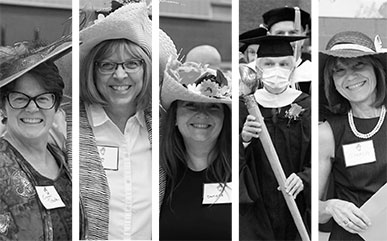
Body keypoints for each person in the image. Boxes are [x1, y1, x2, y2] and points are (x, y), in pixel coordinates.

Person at [68, 1, 176, 240]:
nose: (119, 75)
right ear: (92, 71)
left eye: (131, 64)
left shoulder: (163, 127)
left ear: (146, 69)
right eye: (107, 65)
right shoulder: (65, 127)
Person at [0, 40, 84, 240]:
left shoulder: (63, 159)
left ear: (55, 106)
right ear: (3, 106)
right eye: (20, 98)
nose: (32, 108)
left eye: (43, 98)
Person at [240, 35, 311, 240]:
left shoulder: (306, 105)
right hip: (256, 207)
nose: (276, 69)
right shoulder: (244, 106)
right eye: (269, 64)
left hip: (296, 205)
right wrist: (243, 139)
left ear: (292, 68)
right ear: (258, 68)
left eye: (283, 64)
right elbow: (227, 156)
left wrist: (305, 177)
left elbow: (319, 157)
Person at [319, 31, 387, 241]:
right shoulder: (327, 133)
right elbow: (313, 211)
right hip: (351, 236)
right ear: (332, 81)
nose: (350, 76)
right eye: (339, 70)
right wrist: (330, 206)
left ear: (377, 70)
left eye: (359, 65)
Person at [159, 58, 232, 240]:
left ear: (224, 119)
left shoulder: (241, 170)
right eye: (190, 105)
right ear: (174, 117)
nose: (202, 114)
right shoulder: (159, 174)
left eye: (213, 107)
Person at [263, 6, 312, 94]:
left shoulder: (313, 72)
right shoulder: (256, 72)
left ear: (303, 36)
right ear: (269, 36)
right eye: (279, 33)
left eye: (293, 33)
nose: (287, 38)